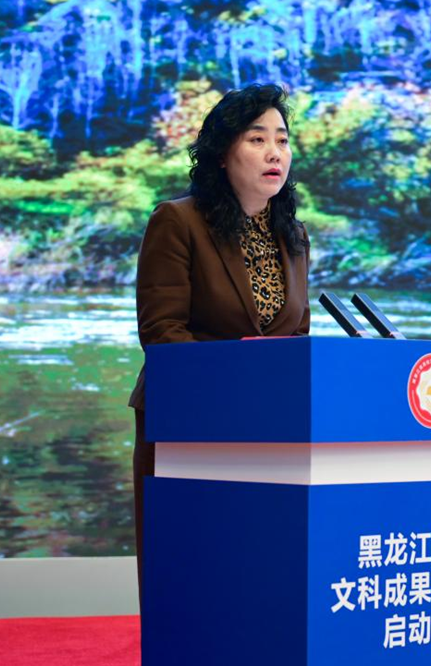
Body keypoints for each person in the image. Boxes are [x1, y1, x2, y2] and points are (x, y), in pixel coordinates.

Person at [127, 84, 310, 602]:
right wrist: (236, 390)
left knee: (256, 580)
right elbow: (163, 333)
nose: (275, 153)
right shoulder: (178, 221)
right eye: (257, 139)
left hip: (270, 432)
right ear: (222, 153)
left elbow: (297, 335)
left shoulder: (293, 234)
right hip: (188, 424)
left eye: (282, 140)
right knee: (190, 576)